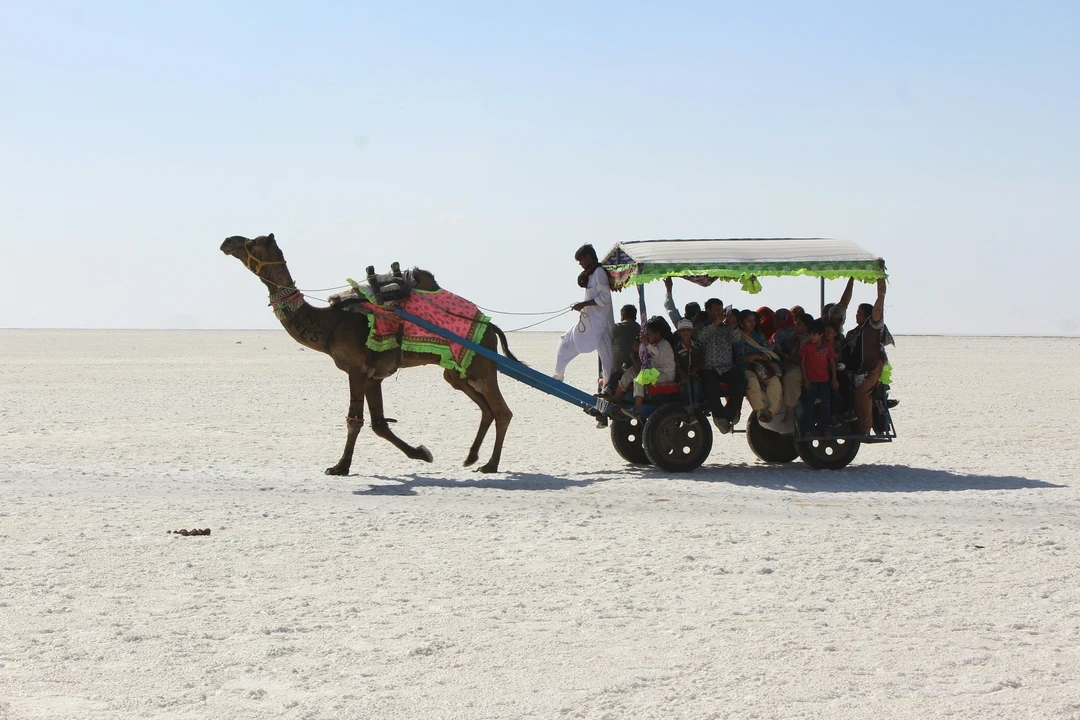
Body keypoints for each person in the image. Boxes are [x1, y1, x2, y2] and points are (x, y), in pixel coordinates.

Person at [554, 244, 615, 389]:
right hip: (590, 322)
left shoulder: (599, 272)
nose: (580, 265)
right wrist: (583, 305)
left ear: (588, 257)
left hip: (602, 323)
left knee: (607, 360)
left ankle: (608, 388)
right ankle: (557, 376)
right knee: (565, 341)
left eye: (581, 261)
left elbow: (605, 297)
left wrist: (584, 304)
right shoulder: (591, 274)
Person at [842, 279, 892, 435]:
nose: (857, 315)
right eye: (856, 313)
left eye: (860, 313)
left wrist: (881, 290)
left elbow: (878, 309)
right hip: (856, 370)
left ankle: (864, 431)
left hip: (872, 369)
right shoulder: (853, 333)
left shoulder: (873, 326)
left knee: (861, 394)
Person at [611, 316, 677, 419]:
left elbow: (656, 354)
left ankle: (637, 409)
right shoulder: (655, 345)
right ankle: (616, 397)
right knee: (631, 372)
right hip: (655, 372)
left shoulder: (664, 345)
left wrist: (645, 343)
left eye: (650, 334)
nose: (648, 337)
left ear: (657, 334)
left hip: (665, 375)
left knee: (639, 380)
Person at [697, 298, 746, 433]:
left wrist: (734, 325)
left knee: (741, 382)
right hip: (708, 367)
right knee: (710, 386)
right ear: (708, 311)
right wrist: (715, 324)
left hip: (726, 366)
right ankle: (719, 417)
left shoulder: (726, 328)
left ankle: (728, 414)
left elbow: (736, 339)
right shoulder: (702, 325)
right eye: (717, 310)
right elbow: (699, 338)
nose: (720, 312)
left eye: (721, 309)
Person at [595, 305, 641, 428]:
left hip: (624, 368)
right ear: (635, 316)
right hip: (630, 365)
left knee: (603, 376)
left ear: (623, 316)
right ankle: (608, 396)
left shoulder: (616, 328)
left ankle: (602, 416)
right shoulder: (640, 328)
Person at [735, 310, 783, 423]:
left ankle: (770, 412)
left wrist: (757, 356)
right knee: (752, 381)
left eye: (754, 321)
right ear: (741, 323)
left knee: (775, 381)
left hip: (761, 367)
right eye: (749, 321)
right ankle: (761, 410)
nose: (752, 324)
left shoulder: (759, 336)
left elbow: (769, 354)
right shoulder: (736, 337)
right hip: (743, 368)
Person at [800, 320, 839, 436]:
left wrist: (834, 379)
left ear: (821, 334)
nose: (811, 337)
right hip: (811, 380)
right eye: (810, 334)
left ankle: (825, 429)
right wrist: (805, 379)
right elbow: (803, 363)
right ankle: (808, 429)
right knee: (809, 405)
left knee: (826, 405)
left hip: (825, 380)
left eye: (814, 334)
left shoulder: (827, 347)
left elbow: (832, 363)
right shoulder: (807, 347)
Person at [778, 312, 812, 421]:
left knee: (790, 377)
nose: (796, 326)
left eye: (800, 324)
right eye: (796, 323)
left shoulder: (808, 339)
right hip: (789, 363)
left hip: (802, 367)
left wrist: (785, 355)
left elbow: (802, 361)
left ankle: (789, 410)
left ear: (807, 327)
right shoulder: (793, 336)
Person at [673, 318, 705, 416]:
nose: (686, 332)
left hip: (694, 374)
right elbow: (676, 364)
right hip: (680, 375)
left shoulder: (697, 346)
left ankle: (696, 408)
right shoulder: (676, 348)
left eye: (688, 330)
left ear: (692, 332)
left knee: (696, 384)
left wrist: (695, 371)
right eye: (683, 330)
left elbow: (701, 361)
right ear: (679, 333)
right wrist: (683, 375)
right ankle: (688, 409)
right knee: (684, 385)